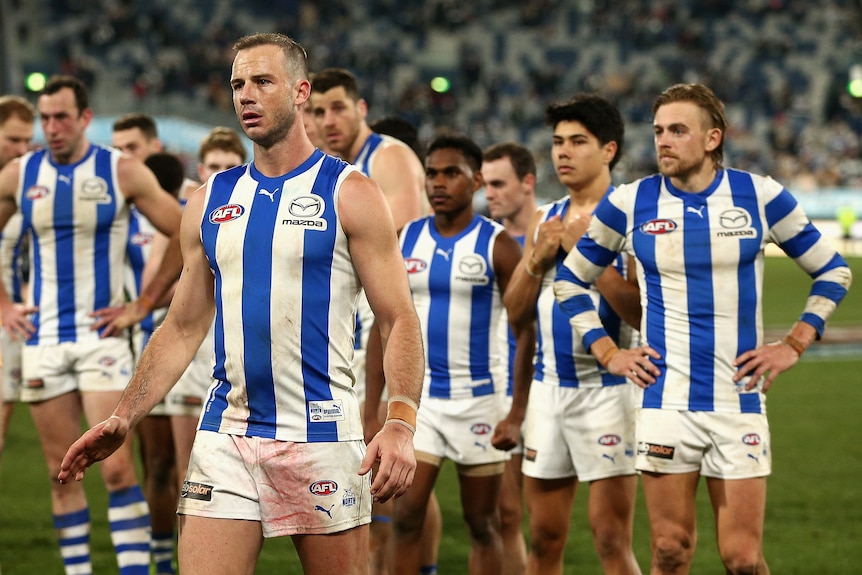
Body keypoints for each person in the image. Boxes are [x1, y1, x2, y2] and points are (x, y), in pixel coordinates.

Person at [58, 32, 424, 575]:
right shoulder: (209, 199)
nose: (245, 95)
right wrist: (125, 414)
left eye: (261, 82)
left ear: (301, 92)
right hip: (226, 435)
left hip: (320, 436)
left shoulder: (350, 192)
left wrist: (400, 422)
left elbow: (398, 318)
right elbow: (182, 326)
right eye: (236, 84)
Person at [552, 83, 853, 573]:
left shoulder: (760, 196)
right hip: (665, 400)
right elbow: (570, 280)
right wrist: (609, 353)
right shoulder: (630, 203)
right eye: (657, 131)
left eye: (677, 130)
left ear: (713, 138)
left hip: (739, 398)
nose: (663, 141)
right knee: (670, 551)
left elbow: (833, 271)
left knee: (744, 560)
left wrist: (795, 342)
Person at [0, 75, 184, 575]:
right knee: (61, 474)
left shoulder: (119, 171)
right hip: (42, 342)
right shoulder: (20, 174)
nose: (52, 127)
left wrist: (144, 303)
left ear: (84, 118)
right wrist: (3, 303)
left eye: (62, 117)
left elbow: (184, 229)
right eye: (45, 118)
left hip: (101, 339)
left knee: (118, 467)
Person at [495, 94, 643, 575]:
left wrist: (586, 256)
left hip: (611, 392)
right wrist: (538, 258)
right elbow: (516, 313)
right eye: (558, 142)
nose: (563, 152)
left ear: (608, 150)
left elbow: (640, 315)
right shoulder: (545, 218)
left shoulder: (633, 216)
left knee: (610, 539)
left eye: (578, 141)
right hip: (548, 392)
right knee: (544, 537)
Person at [310, 67, 435, 575]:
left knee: (388, 458)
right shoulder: (319, 168)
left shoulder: (388, 157)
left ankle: (393, 563)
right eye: (317, 111)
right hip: (349, 328)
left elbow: (396, 247)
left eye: (338, 107)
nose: (328, 119)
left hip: (392, 325)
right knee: (378, 468)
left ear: (360, 109)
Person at [389, 134, 526, 575]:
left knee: (483, 524)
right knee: (405, 518)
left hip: (480, 404)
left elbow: (527, 333)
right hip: (422, 403)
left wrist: (516, 412)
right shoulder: (405, 239)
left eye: (452, 173)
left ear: (477, 180)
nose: (439, 182)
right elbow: (385, 327)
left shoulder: (499, 245)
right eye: (432, 173)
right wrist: (380, 397)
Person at [112, 115, 187, 575]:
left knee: (195, 469)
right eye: (118, 148)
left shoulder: (195, 199)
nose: (126, 157)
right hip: (139, 348)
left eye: (133, 146)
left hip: (191, 348)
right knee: (155, 463)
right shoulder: (119, 208)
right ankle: (161, 560)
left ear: (155, 145)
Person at [481, 141, 539, 575]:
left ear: (528, 183)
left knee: (542, 523)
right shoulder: (489, 240)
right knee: (503, 514)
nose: (490, 194)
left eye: (499, 184)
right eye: (485, 185)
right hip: (502, 390)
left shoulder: (555, 230)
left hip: (553, 390)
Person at [0, 95, 35, 467]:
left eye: (27, 140)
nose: (22, 149)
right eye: (12, 139)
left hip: (6, 323)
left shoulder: (25, 187)